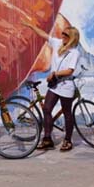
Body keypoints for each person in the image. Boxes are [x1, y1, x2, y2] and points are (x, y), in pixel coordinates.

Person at [21, 20, 81, 152]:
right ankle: (47, 139)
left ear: (72, 38)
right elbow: (44, 35)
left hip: (65, 85)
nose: (62, 36)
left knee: (67, 113)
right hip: (54, 84)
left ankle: (68, 140)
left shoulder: (74, 53)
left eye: (65, 35)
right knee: (47, 109)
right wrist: (31, 26)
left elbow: (70, 70)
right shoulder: (58, 44)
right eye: (63, 34)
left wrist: (54, 74)